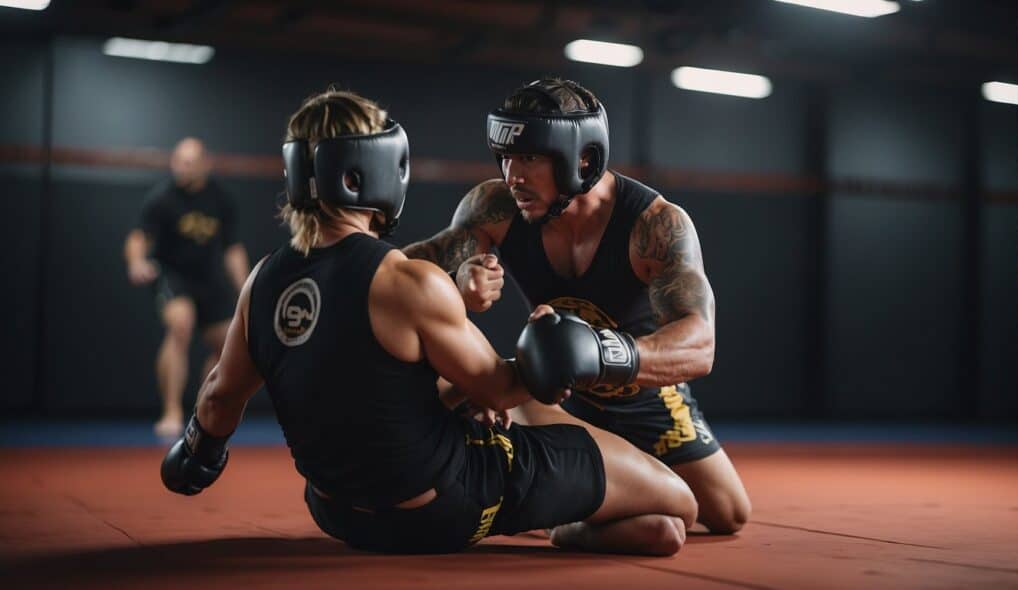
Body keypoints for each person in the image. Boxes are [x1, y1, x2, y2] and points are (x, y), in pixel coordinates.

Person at [159, 88, 699, 556]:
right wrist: (565, 346)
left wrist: (197, 455)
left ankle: (576, 521)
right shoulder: (405, 281)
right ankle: (565, 528)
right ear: (367, 169)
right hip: (441, 509)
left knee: (656, 531)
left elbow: (218, 398)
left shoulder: (262, 282)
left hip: (336, 513)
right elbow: (504, 388)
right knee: (678, 505)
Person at [403, 77, 751, 534]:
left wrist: (600, 353)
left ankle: (565, 519)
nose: (513, 176)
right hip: (553, 394)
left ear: (582, 158)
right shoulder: (497, 207)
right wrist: (453, 283)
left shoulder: (654, 225)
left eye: (529, 157)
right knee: (484, 384)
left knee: (728, 513)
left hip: (644, 398)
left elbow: (700, 344)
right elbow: (397, 280)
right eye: (506, 157)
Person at [124, 137, 250, 438]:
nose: (180, 167)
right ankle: (171, 411)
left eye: (188, 162)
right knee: (181, 325)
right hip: (172, 275)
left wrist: (247, 287)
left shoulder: (220, 198)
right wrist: (136, 262)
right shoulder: (163, 197)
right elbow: (138, 238)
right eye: (177, 161)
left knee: (227, 344)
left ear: (205, 164)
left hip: (208, 278)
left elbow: (232, 248)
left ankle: (203, 411)